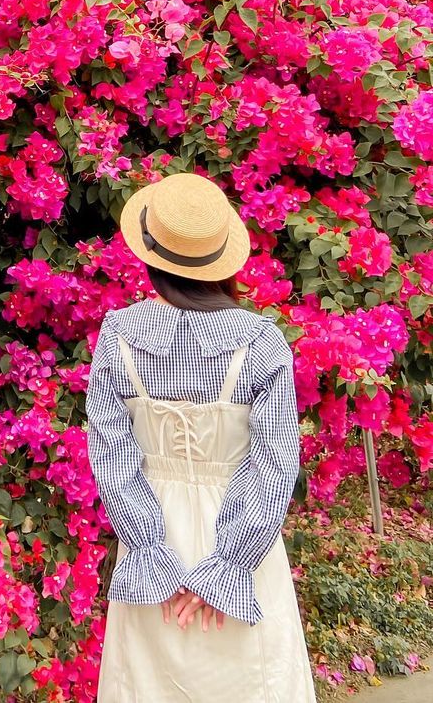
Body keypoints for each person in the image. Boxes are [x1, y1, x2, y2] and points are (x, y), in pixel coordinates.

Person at [86, 173, 317, 701]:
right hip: (243, 552)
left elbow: (112, 456)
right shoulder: (262, 342)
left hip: (152, 555)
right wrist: (227, 570)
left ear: (151, 254)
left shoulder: (119, 335)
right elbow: (274, 466)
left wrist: (153, 555)